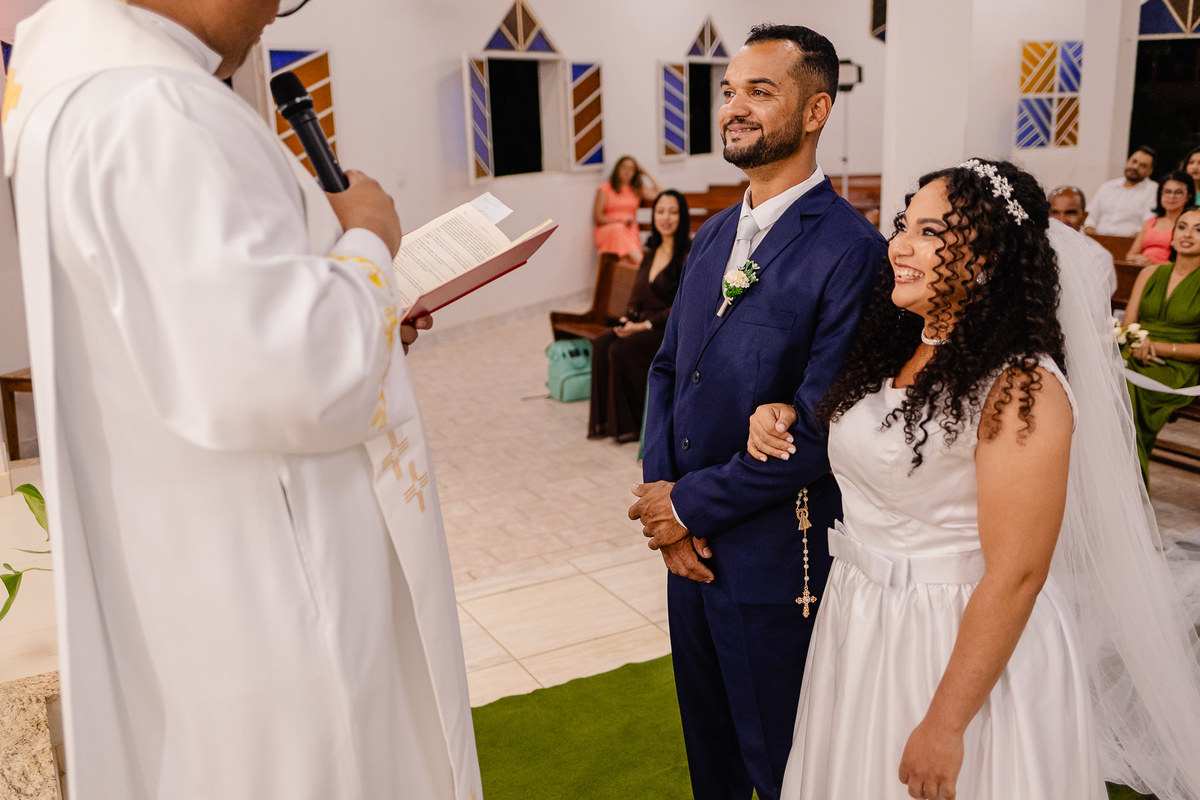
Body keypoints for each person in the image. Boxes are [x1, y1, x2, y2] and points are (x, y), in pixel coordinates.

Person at [2, 0, 481, 798]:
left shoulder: (81, 89)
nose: (275, 11)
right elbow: (290, 372)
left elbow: (207, 339)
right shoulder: (159, 108)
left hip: (199, 559)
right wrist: (369, 238)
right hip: (283, 598)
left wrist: (364, 322)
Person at [748, 159, 1200, 800]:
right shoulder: (895, 347)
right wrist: (783, 413)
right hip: (861, 617)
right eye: (903, 225)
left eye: (930, 232)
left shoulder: (1021, 386)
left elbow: (1018, 573)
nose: (899, 245)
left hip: (953, 639)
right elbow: (872, 445)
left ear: (987, 257)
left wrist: (947, 722)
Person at [628, 24, 886, 800]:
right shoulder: (712, 234)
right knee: (708, 758)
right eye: (729, 91)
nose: (734, 108)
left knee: (779, 762)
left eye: (759, 92)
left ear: (816, 112)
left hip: (777, 557)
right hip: (687, 552)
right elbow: (668, 369)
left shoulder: (851, 251)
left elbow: (820, 429)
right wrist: (664, 503)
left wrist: (688, 507)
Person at [588, 189, 690, 442]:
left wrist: (643, 325)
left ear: (682, 216)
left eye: (673, 212)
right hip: (642, 323)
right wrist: (628, 318)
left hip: (667, 329)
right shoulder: (651, 250)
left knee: (622, 349)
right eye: (660, 211)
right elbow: (638, 292)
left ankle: (631, 425)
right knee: (602, 342)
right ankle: (605, 422)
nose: (666, 217)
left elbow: (682, 305)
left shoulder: (687, 255)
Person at [1123, 207, 1200, 485]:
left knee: (1123, 389)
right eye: (1182, 227)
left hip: (1178, 366)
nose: (1188, 234)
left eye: (1198, 230)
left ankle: (1129, 482)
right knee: (1106, 378)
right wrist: (1138, 341)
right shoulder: (1150, 273)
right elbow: (1127, 324)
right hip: (1136, 352)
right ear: (1173, 235)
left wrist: (1157, 347)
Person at [1049, 184, 1117, 299]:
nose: (1061, 220)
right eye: (1055, 213)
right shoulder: (1037, 248)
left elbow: (1094, 303)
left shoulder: (1100, 257)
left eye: (1070, 213)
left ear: (1084, 217)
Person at [593, 154, 661, 267]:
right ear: (617, 169)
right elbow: (598, 216)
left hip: (629, 230)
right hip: (608, 229)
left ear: (635, 172)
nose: (627, 171)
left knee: (625, 258)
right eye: (623, 167)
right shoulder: (605, 188)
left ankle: (639, 270)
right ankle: (644, 266)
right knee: (618, 229)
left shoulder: (637, 189)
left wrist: (646, 173)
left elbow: (660, 194)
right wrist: (618, 222)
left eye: (631, 168)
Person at [1084, 146, 1159, 236]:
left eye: (1142, 165)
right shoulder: (1107, 186)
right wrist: (1089, 227)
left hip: (1128, 241)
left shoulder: (1153, 190)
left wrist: (1137, 237)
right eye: (1134, 161)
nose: (1135, 167)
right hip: (1097, 238)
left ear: (1150, 171)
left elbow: (1149, 221)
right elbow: (1090, 214)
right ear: (1127, 161)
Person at [1125, 171, 1196, 265]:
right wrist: (1137, 259)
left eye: (1178, 192)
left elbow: (1188, 262)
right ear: (1160, 195)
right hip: (1140, 268)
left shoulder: (1190, 224)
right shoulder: (1150, 222)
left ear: (1188, 197)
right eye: (1167, 192)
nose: (1172, 196)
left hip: (1169, 270)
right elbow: (1130, 255)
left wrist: (1153, 264)